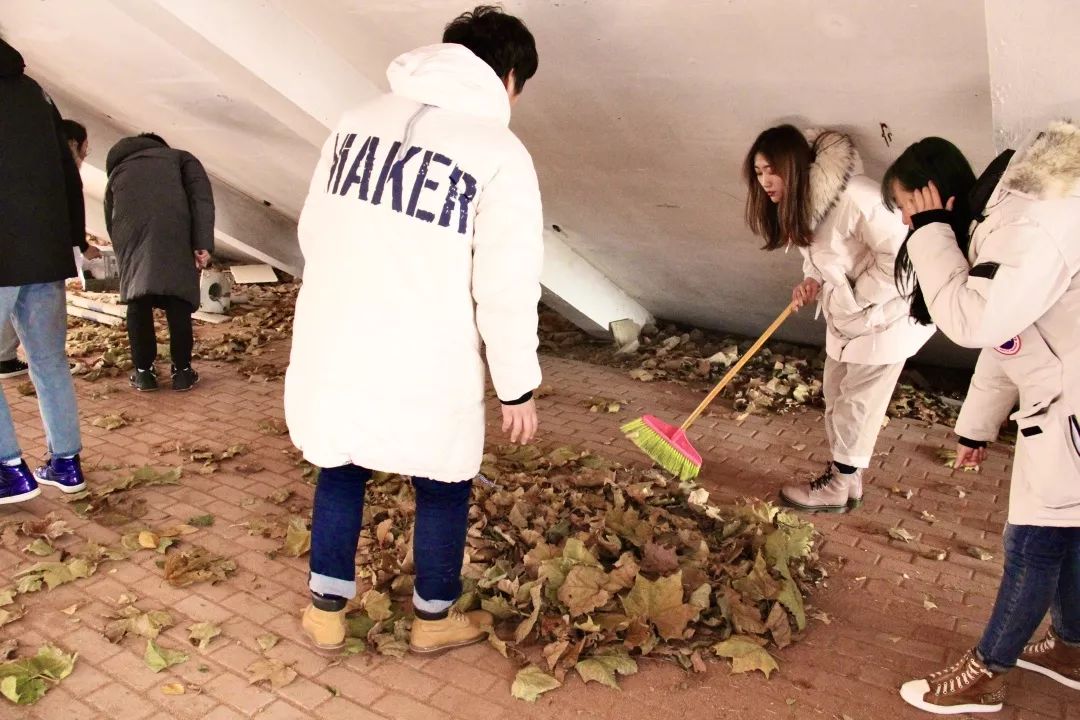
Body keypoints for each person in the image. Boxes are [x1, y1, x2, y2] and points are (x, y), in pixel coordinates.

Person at [285, 5, 543, 654]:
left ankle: (325, 613)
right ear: (508, 78)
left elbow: (314, 230)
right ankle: (433, 620)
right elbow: (506, 283)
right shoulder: (499, 152)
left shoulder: (355, 121)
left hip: (339, 335)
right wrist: (516, 385)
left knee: (341, 466)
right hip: (429, 348)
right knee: (443, 479)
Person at [887, 127, 1080, 713]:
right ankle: (1072, 648)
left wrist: (929, 233)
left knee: (1034, 543)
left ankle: (987, 672)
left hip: (1070, 407)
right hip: (1062, 398)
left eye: (905, 208)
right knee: (1068, 532)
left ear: (935, 198)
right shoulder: (999, 225)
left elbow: (975, 324)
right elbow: (1009, 344)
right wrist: (975, 427)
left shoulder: (1022, 229)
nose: (904, 223)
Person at [743, 125, 936, 512]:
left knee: (859, 404)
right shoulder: (804, 204)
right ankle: (848, 482)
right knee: (836, 396)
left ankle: (837, 486)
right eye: (759, 172)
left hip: (887, 316)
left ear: (793, 165)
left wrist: (857, 296)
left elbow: (904, 256)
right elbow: (820, 255)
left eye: (771, 171)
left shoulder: (856, 197)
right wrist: (812, 281)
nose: (765, 181)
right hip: (847, 316)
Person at [0, 35, 89, 502]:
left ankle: (8, 470)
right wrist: (73, 239)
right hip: (45, 251)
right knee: (50, 360)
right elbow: (67, 169)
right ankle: (66, 463)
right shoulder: (36, 93)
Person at [104, 132, 214, 392]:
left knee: (138, 298)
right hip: (174, 230)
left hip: (130, 234)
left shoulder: (120, 168)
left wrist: (124, 252)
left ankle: (144, 374)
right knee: (177, 298)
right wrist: (202, 243)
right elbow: (201, 201)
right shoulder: (181, 159)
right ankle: (182, 372)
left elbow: (110, 213)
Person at [0, 120, 98, 380]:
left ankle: (6, 358)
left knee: (12, 303)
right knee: (44, 340)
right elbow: (72, 213)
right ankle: (13, 359)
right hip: (39, 257)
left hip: (18, 252)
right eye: (85, 148)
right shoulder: (61, 171)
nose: (85, 155)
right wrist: (82, 246)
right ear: (73, 144)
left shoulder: (28, 160)